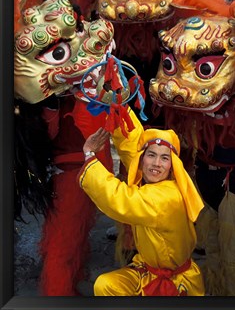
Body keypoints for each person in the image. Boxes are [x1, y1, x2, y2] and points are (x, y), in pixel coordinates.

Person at [78, 107, 205, 296]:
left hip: (176, 285)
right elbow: (133, 145)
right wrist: (118, 106)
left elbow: (119, 199)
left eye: (164, 158)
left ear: (172, 167)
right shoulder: (156, 179)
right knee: (106, 285)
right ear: (142, 159)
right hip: (147, 272)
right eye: (151, 155)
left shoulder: (166, 197)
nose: (156, 164)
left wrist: (89, 155)